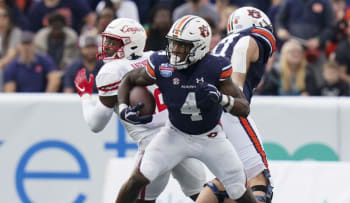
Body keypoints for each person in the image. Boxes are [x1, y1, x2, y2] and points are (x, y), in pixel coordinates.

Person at [115, 15, 257, 203]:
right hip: (174, 133)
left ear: (199, 46)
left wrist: (222, 99)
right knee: (138, 177)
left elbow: (244, 108)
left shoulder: (215, 67)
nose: (176, 50)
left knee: (238, 189)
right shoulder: (161, 63)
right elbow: (129, 79)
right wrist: (124, 108)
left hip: (210, 137)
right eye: (174, 44)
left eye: (183, 46)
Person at [73, 18, 206, 203]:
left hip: (154, 146)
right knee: (205, 195)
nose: (108, 47)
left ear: (132, 45)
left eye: (114, 42)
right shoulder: (157, 57)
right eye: (108, 41)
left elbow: (96, 124)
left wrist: (85, 96)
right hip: (181, 137)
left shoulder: (113, 71)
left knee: (138, 197)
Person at [196, 7, 275, 203]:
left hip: (207, 111)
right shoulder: (252, 36)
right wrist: (236, 87)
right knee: (259, 180)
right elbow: (244, 45)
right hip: (228, 108)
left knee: (232, 177)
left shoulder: (221, 45)